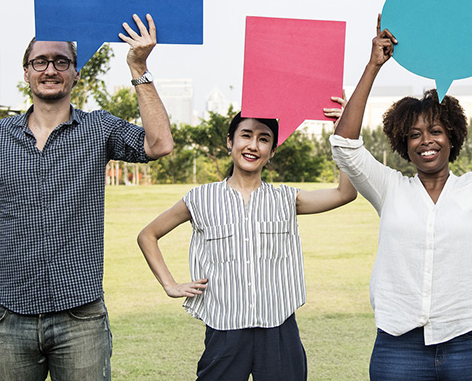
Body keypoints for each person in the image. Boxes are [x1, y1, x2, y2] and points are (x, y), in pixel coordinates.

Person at [0, 14, 174, 381]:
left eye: (61, 62)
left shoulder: (100, 128)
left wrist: (139, 67)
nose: (50, 69)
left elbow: (159, 144)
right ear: (26, 72)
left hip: (80, 318)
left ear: (76, 72)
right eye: (40, 62)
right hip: (8, 316)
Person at [330, 15, 472, 381]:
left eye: (436, 131)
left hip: (470, 343)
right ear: (402, 145)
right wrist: (373, 66)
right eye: (414, 134)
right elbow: (345, 145)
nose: (426, 140)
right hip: (398, 346)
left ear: (452, 137)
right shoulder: (389, 188)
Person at [137, 107, 357, 381]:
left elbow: (345, 193)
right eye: (246, 135)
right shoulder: (200, 199)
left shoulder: (286, 199)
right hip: (224, 331)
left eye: (264, 139)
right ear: (230, 141)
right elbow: (148, 235)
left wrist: (344, 131)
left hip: (279, 330)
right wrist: (169, 284)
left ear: (272, 151)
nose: (253, 145)